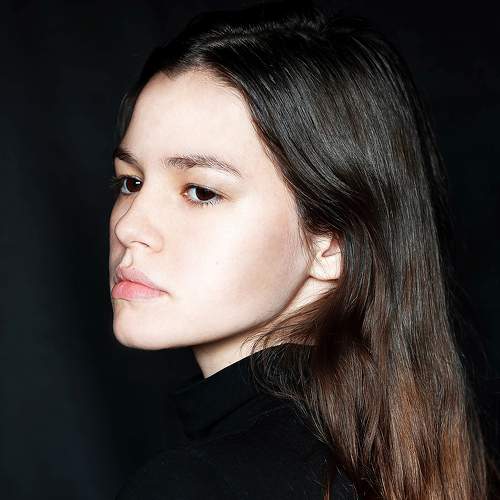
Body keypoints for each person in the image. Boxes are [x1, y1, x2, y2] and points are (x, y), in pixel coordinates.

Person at [108, 2, 496, 498]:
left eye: (201, 191)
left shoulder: (196, 485)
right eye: (131, 181)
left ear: (330, 244)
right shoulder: (404, 462)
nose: (130, 225)